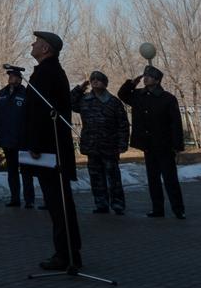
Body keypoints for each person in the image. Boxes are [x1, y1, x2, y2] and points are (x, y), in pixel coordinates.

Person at [22, 30, 81, 271]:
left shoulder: (47, 73)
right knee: (57, 203)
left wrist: (35, 144)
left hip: (49, 149)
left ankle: (66, 254)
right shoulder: (47, 71)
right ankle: (68, 252)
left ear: (46, 49)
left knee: (59, 204)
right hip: (50, 148)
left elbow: (42, 113)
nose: (33, 44)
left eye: (37, 42)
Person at [118, 66, 185, 219]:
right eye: (145, 75)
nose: (146, 78)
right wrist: (131, 83)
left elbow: (176, 124)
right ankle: (157, 209)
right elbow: (122, 95)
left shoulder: (168, 98)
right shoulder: (138, 95)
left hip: (165, 145)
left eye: (150, 76)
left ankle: (178, 209)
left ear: (157, 80)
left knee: (170, 179)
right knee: (153, 179)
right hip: (148, 145)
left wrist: (177, 146)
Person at [70, 71, 130, 215]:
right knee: (96, 177)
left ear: (105, 83)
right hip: (91, 146)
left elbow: (123, 124)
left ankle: (118, 204)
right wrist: (79, 89)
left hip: (109, 146)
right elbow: (69, 102)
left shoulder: (113, 102)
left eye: (98, 79)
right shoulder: (85, 99)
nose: (95, 81)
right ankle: (101, 204)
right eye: (93, 79)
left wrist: (122, 144)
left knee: (113, 178)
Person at [0, 66, 36, 209]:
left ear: (20, 79)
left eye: (14, 76)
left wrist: (31, 138)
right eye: (10, 76)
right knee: (12, 171)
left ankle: (29, 200)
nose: (11, 78)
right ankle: (15, 198)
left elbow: (31, 118)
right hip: (7, 139)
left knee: (26, 171)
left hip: (23, 140)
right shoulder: (2, 94)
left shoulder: (26, 94)